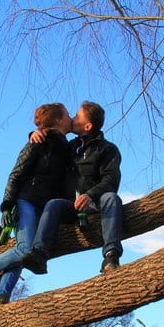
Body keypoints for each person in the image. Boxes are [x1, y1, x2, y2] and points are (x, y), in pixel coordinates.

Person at [0, 103, 72, 306]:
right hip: (26, 201)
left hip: (46, 209)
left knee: (26, 253)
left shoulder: (67, 149)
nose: (70, 118)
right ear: (57, 120)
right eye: (67, 115)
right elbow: (16, 174)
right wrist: (7, 204)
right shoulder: (37, 143)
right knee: (26, 248)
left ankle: (2, 296)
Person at [22, 101, 123, 275]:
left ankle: (111, 256)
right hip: (71, 205)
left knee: (111, 198)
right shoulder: (71, 147)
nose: (73, 119)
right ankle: (39, 254)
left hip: (95, 203)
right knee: (53, 204)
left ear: (88, 125)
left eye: (77, 117)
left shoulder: (108, 150)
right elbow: (51, 144)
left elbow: (111, 180)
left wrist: (90, 195)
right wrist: (36, 134)